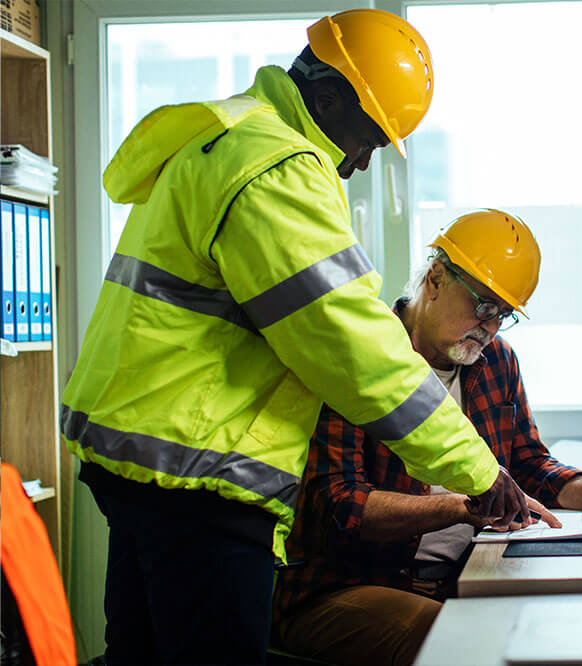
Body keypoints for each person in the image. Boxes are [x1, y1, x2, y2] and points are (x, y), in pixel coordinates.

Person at [59, 12, 528, 665]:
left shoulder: (231, 136)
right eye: (367, 140)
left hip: (146, 462)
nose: (360, 164)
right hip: (202, 474)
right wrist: (478, 473)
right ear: (331, 97)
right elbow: (354, 348)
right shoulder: (276, 165)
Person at [272, 209, 582, 666]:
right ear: (436, 279)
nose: (491, 326)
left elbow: (529, 466)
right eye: (484, 306)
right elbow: (339, 507)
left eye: (503, 315)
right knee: (461, 643)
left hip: (465, 577)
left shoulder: (496, 360)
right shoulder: (360, 359)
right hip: (346, 586)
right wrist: (466, 507)